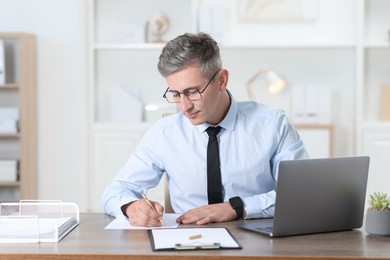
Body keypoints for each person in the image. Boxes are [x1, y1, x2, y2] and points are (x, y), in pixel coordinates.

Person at [102, 32, 308, 227]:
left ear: (221, 80)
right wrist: (131, 207)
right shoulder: (164, 133)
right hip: (186, 240)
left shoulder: (272, 123)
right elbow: (116, 189)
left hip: (258, 237)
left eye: (192, 92)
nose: (184, 106)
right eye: (175, 94)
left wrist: (237, 208)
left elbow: (301, 192)